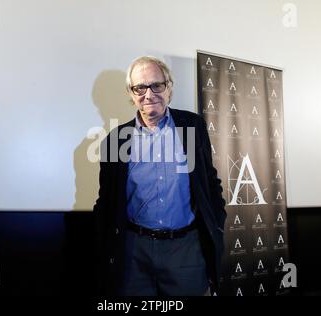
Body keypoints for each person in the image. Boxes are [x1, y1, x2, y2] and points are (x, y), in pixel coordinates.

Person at [93, 56, 226, 296]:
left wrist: (217, 224)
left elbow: (210, 183)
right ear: (131, 93)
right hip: (134, 252)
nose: (149, 94)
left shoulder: (192, 126)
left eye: (157, 85)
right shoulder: (116, 139)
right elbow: (106, 202)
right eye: (140, 87)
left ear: (169, 87)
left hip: (186, 250)